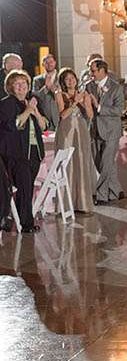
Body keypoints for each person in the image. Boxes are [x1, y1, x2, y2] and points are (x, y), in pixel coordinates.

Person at [0, 70, 46, 232]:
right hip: (16, 154)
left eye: (24, 84)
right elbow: (13, 125)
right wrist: (28, 111)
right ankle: (26, 224)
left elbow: (43, 126)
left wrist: (35, 111)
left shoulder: (31, 102)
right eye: (17, 84)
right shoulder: (7, 103)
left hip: (34, 152)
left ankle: (20, 218)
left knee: (27, 187)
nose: (21, 87)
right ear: (11, 87)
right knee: (25, 187)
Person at [53, 68, 96, 213]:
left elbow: (90, 115)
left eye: (72, 78)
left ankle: (83, 203)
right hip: (66, 131)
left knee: (82, 163)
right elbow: (63, 115)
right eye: (67, 79)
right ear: (63, 82)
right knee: (66, 164)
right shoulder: (60, 94)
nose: (71, 81)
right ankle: (65, 204)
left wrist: (83, 102)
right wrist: (74, 102)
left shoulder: (84, 94)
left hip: (81, 131)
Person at [88, 60, 123, 205]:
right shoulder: (89, 86)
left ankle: (101, 195)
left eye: (93, 71)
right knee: (99, 162)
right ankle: (116, 190)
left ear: (102, 71)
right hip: (95, 129)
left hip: (111, 131)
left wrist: (99, 107)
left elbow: (119, 111)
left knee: (106, 162)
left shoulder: (116, 88)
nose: (91, 74)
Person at [32, 54, 61, 131]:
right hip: (45, 118)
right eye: (46, 62)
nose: (49, 64)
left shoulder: (62, 77)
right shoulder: (37, 80)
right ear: (43, 64)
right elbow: (35, 97)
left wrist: (53, 89)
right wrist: (45, 88)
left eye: (51, 62)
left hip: (60, 116)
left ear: (55, 62)